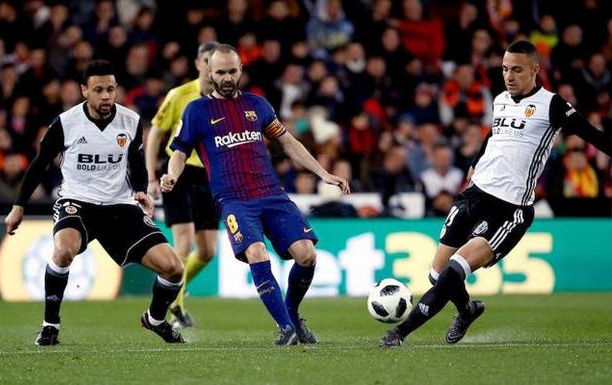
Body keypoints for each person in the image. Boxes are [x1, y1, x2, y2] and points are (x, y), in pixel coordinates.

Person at [379, 40, 612, 347]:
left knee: (453, 270)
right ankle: (467, 310)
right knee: (437, 275)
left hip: (510, 208)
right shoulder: (501, 99)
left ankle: (399, 332)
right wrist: (475, 162)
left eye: (517, 69)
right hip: (475, 194)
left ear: (534, 70)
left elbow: (593, 135)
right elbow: (493, 133)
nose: (509, 76)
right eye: (505, 69)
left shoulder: (551, 105)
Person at [160, 44, 350, 345]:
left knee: (307, 255)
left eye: (232, 71)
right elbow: (180, 152)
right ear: (209, 71)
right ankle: (287, 329)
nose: (226, 77)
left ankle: (291, 315)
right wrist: (171, 175)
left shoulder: (258, 105)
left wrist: (323, 174)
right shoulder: (196, 110)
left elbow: (288, 144)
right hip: (234, 199)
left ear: (240, 71)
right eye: (220, 71)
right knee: (257, 253)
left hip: (272, 193)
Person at [4, 60, 186, 346]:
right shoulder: (66, 123)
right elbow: (39, 165)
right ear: (84, 91)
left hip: (119, 206)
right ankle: (50, 325)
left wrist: (140, 190)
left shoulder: (131, 121)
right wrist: (19, 206)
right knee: (64, 251)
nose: (106, 96)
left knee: (174, 268)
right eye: (98, 90)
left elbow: (135, 161)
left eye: (111, 89)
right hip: (77, 202)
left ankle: (155, 319)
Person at [145, 41, 219, 329]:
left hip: (210, 176)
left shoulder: (224, 99)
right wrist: (152, 175)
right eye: (207, 61)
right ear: (199, 63)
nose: (211, 67)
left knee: (207, 251)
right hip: (179, 172)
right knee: (184, 243)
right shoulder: (180, 94)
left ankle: (176, 286)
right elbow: (156, 133)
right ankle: (174, 302)